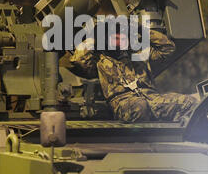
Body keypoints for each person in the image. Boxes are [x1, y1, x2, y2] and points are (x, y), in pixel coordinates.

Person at [69, 28, 198, 122]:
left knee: (189, 102)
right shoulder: (100, 60)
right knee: (140, 107)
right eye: (116, 35)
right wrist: (93, 36)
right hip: (124, 102)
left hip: (151, 98)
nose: (121, 37)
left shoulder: (139, 53)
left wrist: (140, 28)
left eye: (123, 34)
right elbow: (78, 60)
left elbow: (168, 48)